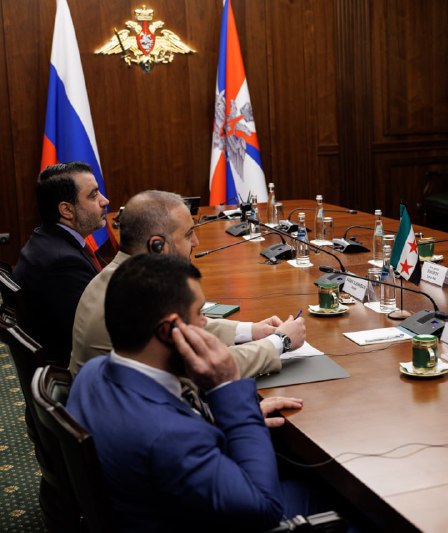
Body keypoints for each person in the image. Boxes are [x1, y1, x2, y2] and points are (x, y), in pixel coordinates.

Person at [67, 254, 304, 530]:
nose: (205, 324)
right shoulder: (170, 436)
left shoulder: (92, 373)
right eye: (200, 313)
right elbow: (265, 509)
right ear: (168, 331)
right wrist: (233, 398)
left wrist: (233, 420)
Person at [70, 190, 304, 377]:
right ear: (157, 245)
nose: (196, 242)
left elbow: (188, 329)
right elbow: (208, 367)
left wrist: (251, 331)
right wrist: (280, 341)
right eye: (188, 234)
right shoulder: (139, 295)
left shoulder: (121, 274)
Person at [13, 162, 109, 362]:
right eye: (93, 195)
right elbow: (98, 331)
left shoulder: (46, 237)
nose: (104, 201)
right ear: (67, 210)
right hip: (72, 365)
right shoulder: (63, 264)